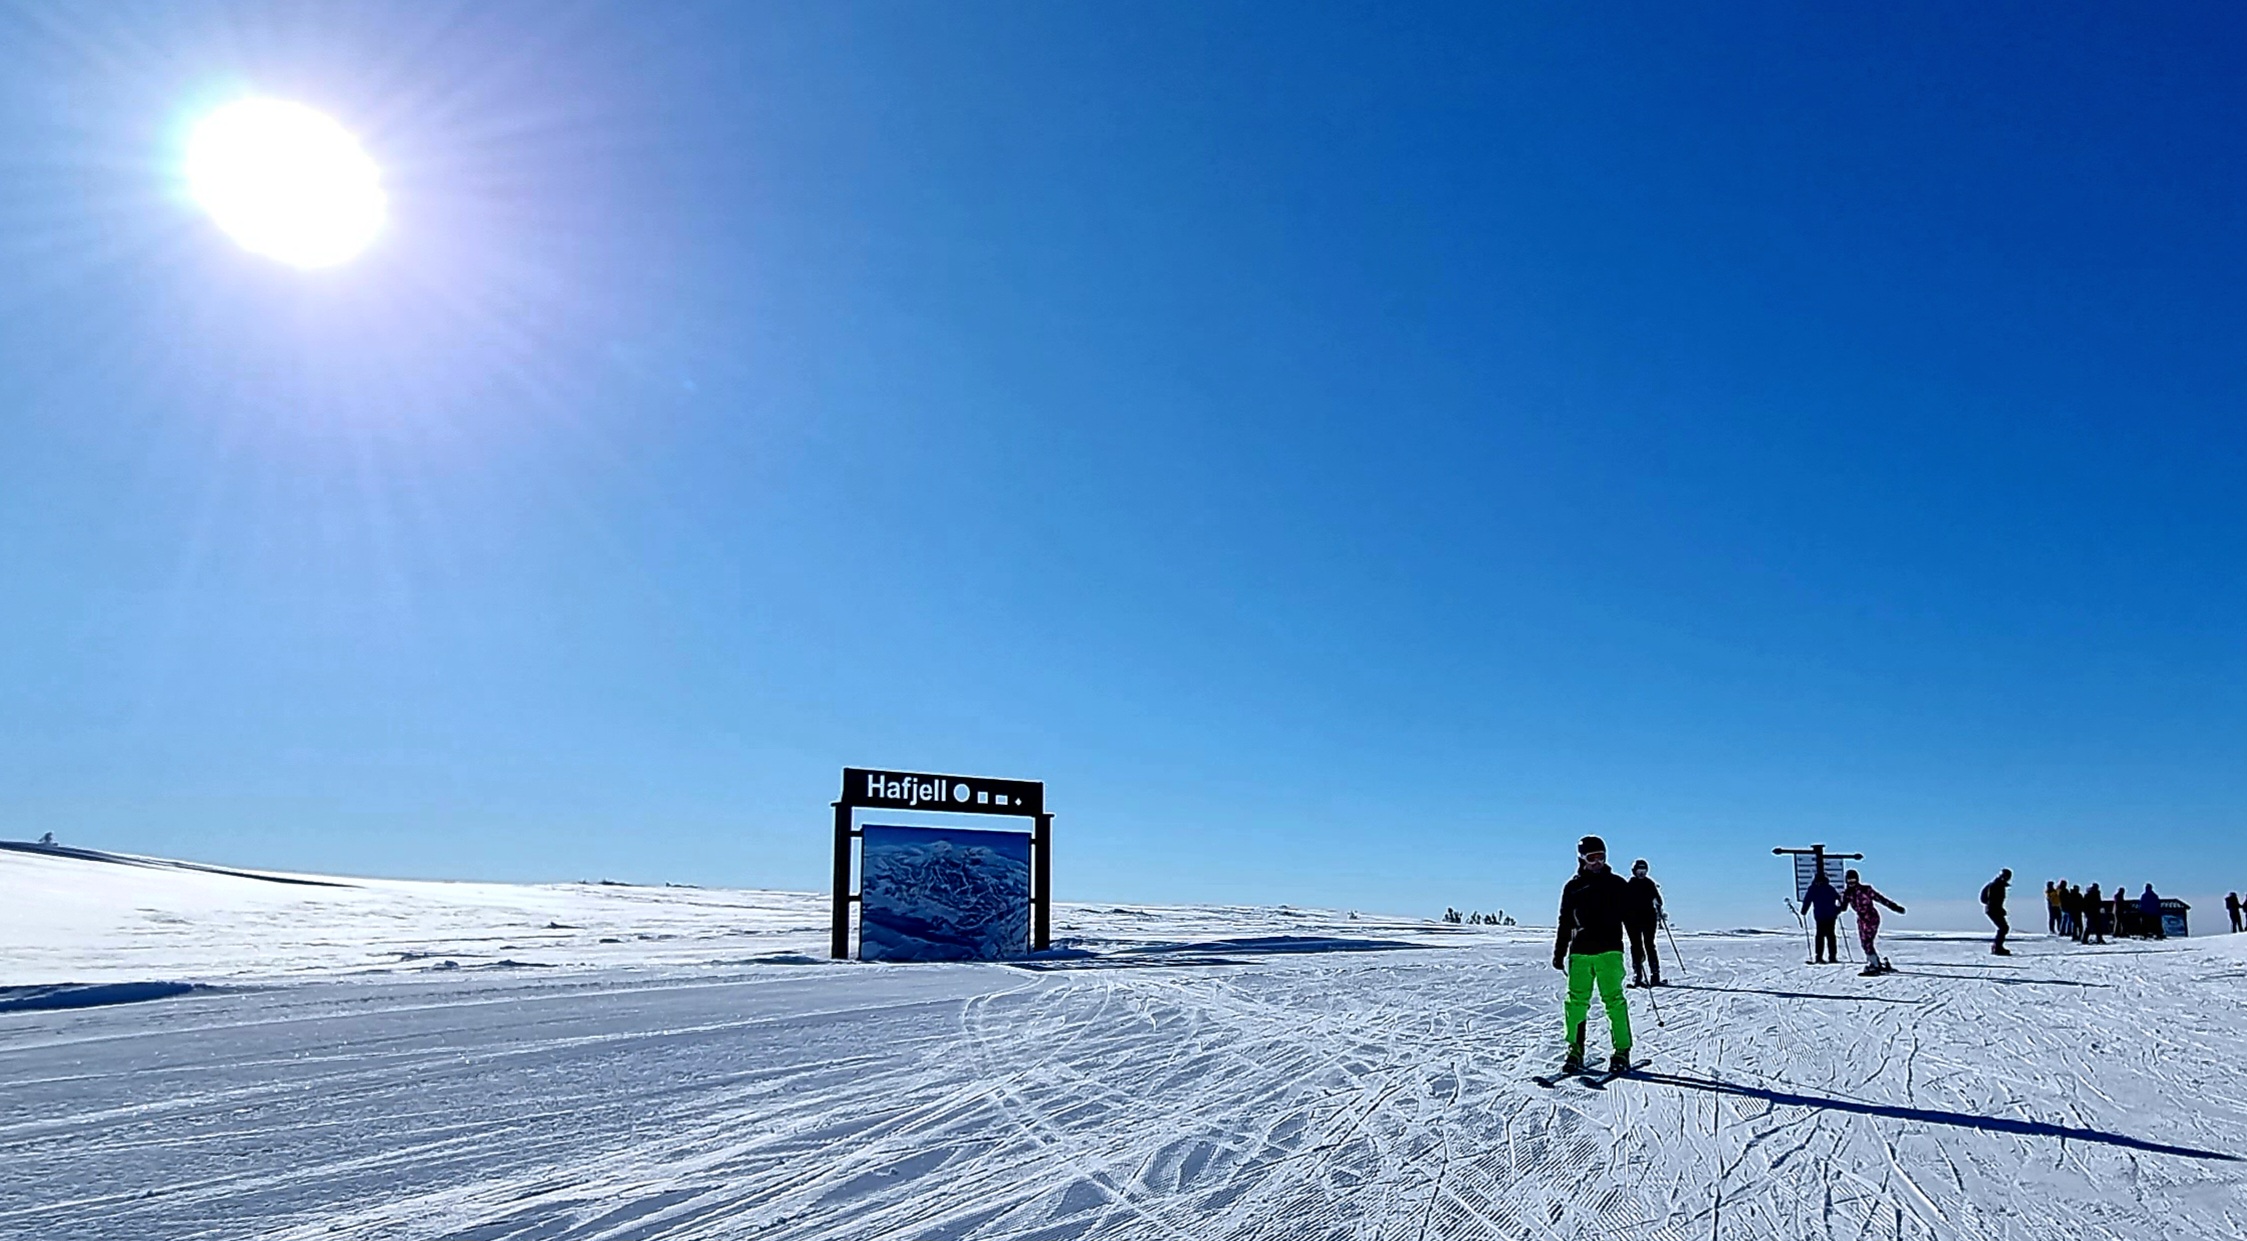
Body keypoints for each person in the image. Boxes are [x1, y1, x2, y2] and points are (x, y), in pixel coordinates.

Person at [1552, 835, 1633, 1076]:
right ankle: (1575, 1050)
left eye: (1601, 856)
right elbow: (1564, 921)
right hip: (1580, 953)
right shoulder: (1573, 887)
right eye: (1592, 857)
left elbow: (1630, 919)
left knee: (1614, 1001)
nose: (1597, 862)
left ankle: (1622, 1051)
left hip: (1609, 951)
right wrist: (1559, 952)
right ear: (1581, 859)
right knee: (1576, 1003)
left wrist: (1639, 951)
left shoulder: (1617, 884)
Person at [1842, 869, 1906, 975]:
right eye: (1849, 880)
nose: (1851, 883)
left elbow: (1880, 899)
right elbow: (1843, 907)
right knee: (1865, 943)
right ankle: (1875, 962)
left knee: (1867, 942)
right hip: (1861, 920)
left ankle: (1875, 964)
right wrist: (1838, 906)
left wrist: (1894, 907)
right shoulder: (1847, 893)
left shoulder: (1865, 890)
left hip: (1871, 918)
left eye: (1853, 880)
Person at [1623, 859, 1665, 987]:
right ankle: (1638, 975)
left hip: (1648, 919)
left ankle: (1655, 975)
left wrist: (1657, 903)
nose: (1641, 873)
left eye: (1644, 871)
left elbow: (1659, 900)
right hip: (1633, 920)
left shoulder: (1649, 883)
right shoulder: (1630, 884)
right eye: (1639, 871)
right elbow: (1623, 901)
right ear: (1634, 871)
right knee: (1636, 946)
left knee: (1649, 945)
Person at [1805, 868, 1843, 964]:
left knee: (1822, 936)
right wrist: (1839, 909)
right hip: (1827, 915)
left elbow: (1807, 900)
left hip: (1823, 915)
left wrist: (1804, 910)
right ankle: (1830, 957)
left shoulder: (1814, 888)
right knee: (1828, 936)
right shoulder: (1829, 888)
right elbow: (1839, 898)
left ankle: (1822, 957)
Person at [1980, 869, 2012, 955]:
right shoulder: (1995, 886)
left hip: (1993, 909)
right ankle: (1997, 947)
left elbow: (1986, 899)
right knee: (2003, 928)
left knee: (2003, 928)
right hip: (1993, 909)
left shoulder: (1997, 885)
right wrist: (1998, 908)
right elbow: (1993, 900)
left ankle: (1997, 946)